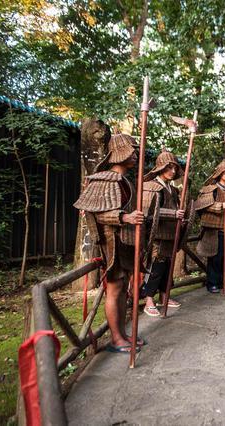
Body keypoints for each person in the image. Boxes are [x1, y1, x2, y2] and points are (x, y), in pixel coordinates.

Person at [73, 133, 146, 354]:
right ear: (119, 153)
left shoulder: (124, 181)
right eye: (132, 150)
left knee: (123, 288)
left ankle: (123, 334)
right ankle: (116, 338)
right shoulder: (103, 179)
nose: (136, 155)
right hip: (111, 242)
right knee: (114, 289)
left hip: (124, 241)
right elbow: (98, 214)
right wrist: (125, 218)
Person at [140, 151, 186, 317]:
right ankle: (149, 300)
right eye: (169, 167)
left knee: (168, 268)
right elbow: (148, 214)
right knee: (156, 268)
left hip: (171, 234)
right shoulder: (151, 187)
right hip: (157, 236)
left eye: (174, 168)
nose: (172, 171)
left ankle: (164, 296)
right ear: (160, 168)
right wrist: (173, 214)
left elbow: (177, 210)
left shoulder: (172, 190)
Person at [194, 161, 225, 293]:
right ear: (220, 173)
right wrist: (219, 206)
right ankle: (212, 283)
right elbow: (199, 206)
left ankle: (224, 280)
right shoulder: (211, 189)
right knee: (216, 258)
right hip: (215, 229)